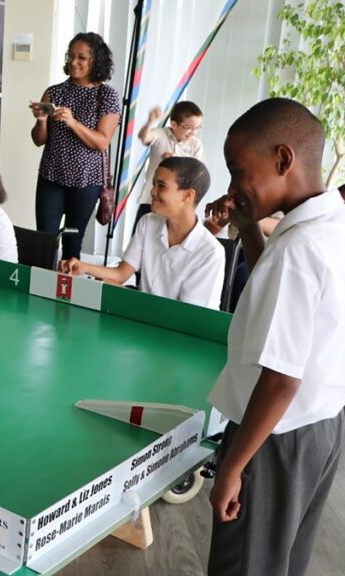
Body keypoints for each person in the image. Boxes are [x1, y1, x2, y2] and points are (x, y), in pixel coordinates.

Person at [205, 98, 345, 576]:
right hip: (321, 429)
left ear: (283, 159)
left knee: (244, 565)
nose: (231, 187)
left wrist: (231, 467)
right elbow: (291, 304)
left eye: (237, 170)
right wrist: (248, 231)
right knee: (279, 563)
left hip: (271, 438)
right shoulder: (331, 224)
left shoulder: (298, 248)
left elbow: (280, 380)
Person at [60, 157, 224, 309]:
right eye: (153, 184)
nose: (153, 191)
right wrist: (83, 267)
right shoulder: (148, 222)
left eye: (161, 186)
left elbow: (185, 314)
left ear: (188, 195)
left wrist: (126, 293)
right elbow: (121, 273)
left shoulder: (211, 252)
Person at [29, 32, 120, 261]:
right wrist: (41, 121)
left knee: (72, 240)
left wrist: (72, 123)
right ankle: (41, 287)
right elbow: (38, 140)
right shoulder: (54, 92)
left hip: (86, 182)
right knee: (45, 238)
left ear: (96, 61)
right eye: (71, 56)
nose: (73, 62)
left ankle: (65, 292)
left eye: (81, 57)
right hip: (51, 177)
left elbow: (102, 142)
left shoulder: (107, 96)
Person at [134, 101, 205, 229]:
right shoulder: (161, 134)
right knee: (141, 239)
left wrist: (178, 163)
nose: (193, 132)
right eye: (189, 127)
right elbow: (144, 137)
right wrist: (149, 122)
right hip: (151, 200)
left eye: (197, 128)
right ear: (174, 124)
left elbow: (199, 174)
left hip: (178, 206)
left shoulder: (196, 144)